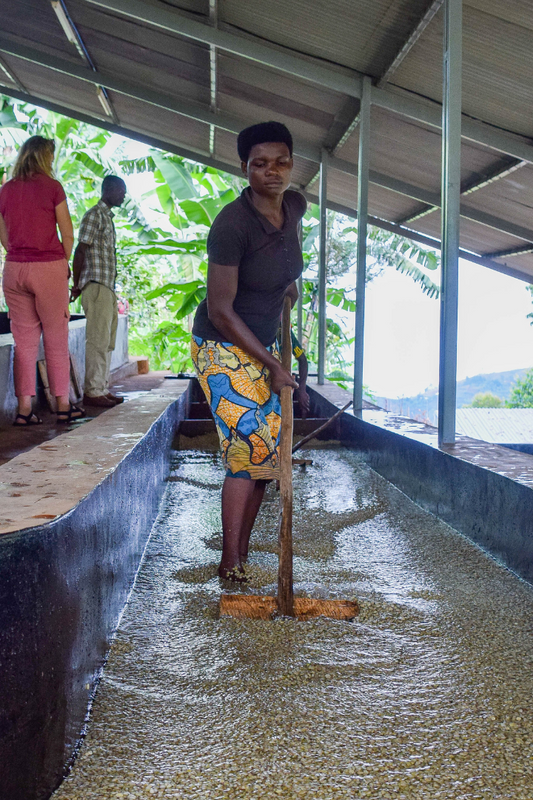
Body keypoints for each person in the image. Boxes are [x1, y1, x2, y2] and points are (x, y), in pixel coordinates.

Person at [191, 121, 306, 581]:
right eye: (260, 164)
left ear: (291, 164)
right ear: (245, 168)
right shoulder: (231, 225)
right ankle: (228, 561)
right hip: (223, 347)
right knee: (248, 447)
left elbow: (285, 254)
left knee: (267, 456)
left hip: (265, 340)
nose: (272, 173)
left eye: (281, 162)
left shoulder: (294, 206)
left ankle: (239, 554)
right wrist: (275, 365)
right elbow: (220, 310)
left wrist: (287, 284)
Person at [0, 135, 83, 426]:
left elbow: (4, 237)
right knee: (56, 338)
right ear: (45, 157)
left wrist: (20, 255)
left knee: (23, 344)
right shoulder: (52, 187)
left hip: (14, 269)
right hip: (48, 266)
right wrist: (63, 262)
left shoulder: (5, 190)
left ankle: (24, 410)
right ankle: (62, 405)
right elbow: (68, 232)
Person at [71, 175, 127, 408]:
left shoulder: (107, 217)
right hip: (95, 285)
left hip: (106, 287)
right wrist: (76, 285)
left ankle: (101, 387)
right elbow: (80, 250)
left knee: (106, 340)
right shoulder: (95, 215)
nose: (124, 196)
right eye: (121, 191)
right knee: (97, 340)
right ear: (109, 190)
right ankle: (93, 391)